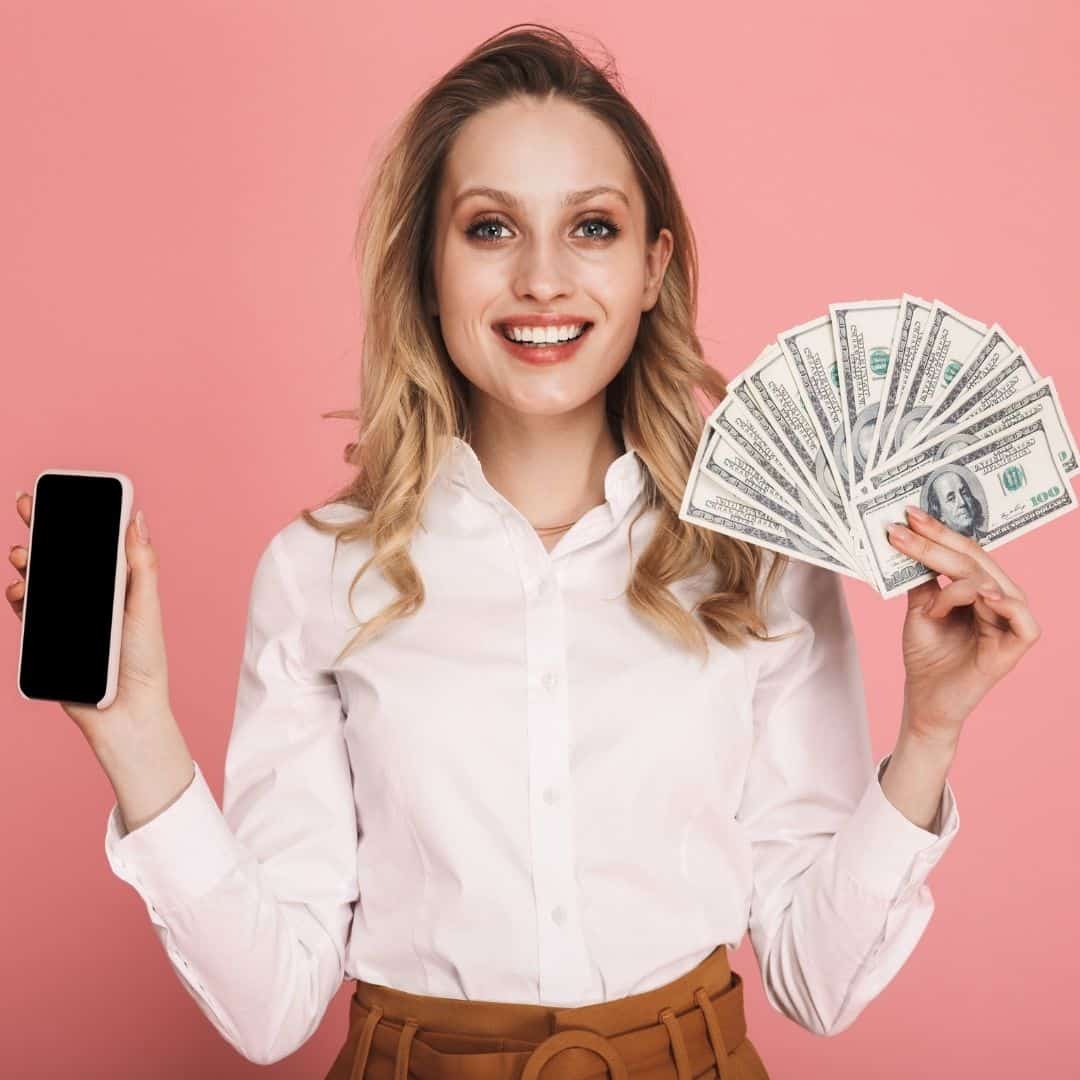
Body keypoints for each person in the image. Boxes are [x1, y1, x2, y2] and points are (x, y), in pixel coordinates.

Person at [7, 23, 1042, 1079]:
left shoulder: (760, 567)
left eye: (591, 227)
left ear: (652, 266)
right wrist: (134, 735)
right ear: (429, 267)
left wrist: (931, 730)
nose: (544, 279)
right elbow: (271, 1009)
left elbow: (816, 983)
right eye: (492, 228)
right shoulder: (319, 571)